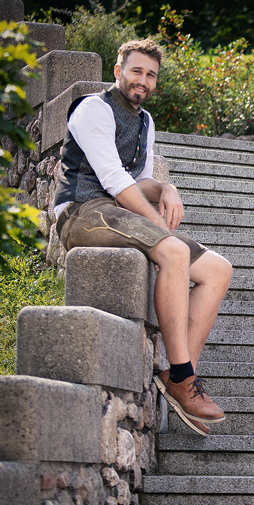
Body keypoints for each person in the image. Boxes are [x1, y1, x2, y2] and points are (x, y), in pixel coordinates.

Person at [52, 39, 232, 436]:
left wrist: (167, 190)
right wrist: (158, 224)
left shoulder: (145, 121)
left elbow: (139, 180)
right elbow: (115, 182)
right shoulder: (92, 109)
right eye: (136, 71)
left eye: (150, 74)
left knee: (218, 269)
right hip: (82, 211)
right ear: (118, 72)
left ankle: (178, 374)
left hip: (118, 210)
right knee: (171, 250)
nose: (143, 80)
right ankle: (185, 380)